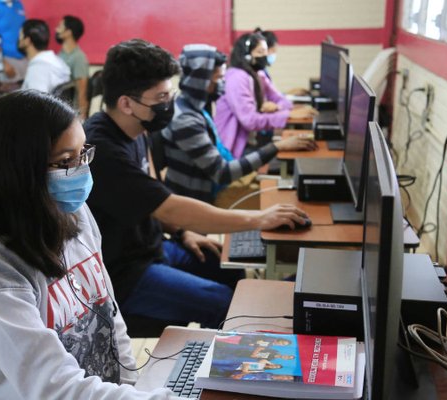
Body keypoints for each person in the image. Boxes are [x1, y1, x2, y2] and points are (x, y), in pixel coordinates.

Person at [0, 90, 178, 399]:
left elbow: (109, 313)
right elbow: (52, 387)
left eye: (83, 153)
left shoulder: (73, 213)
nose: (81, 170)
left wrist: (132, 386)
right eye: (66, 161)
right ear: (18, 169)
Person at [85, 39, 311, 329]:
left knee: (228, 271)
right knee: (223, 302)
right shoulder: (102, 149)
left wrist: (183, 233)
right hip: (124, 272)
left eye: (170, 94)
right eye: (162, 97)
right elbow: (168, 207)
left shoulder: (138, 128)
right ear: (127, 103)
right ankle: (218, 369)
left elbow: (153, 193)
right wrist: (260, 218)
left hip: (153, 247)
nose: (169, 104)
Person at [161, 44, 315, 203]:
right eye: (219, 79)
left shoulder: (194, 108)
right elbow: (223, 173)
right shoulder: (186, 120)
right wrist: (277, 147)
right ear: (201, 81)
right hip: (197, 203)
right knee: (283, 202)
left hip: (209, 191)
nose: (223, 85)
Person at [215, 32, 317, 158]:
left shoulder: (258, 74)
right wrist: (287, 115)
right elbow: (250, 121)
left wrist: (277, 108)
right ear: (247, 56)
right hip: (236, 148)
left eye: (266, 51)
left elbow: (281, 99)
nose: (265, 56)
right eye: (260, 52)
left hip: (254, 140)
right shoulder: (237, 78)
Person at [19, 19, 71, 93]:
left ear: (27, 40)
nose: (19, 39)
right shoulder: (57, 61)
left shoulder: (37, 70)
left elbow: (36, 102)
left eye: (20, 35)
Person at [55, 15, 91, 117]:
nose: (56, 30)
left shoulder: (79, 57)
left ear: (68, 32)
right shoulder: (60, 54)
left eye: (59, 26)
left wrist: (82, 118)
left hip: (68, 113)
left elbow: (82, 91)